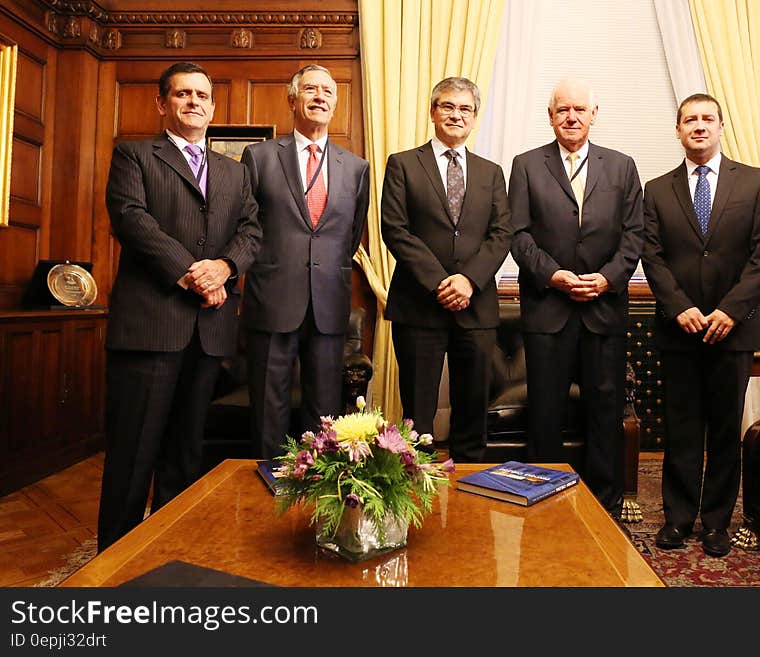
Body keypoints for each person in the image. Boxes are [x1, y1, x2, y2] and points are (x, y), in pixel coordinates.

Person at [98, 62, 262, 551]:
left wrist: (226, 268)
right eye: (183, 94)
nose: (194, 102)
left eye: (203, 96)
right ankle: (116, 562)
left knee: (185, 453)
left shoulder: (235, 171)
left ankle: (167, 552)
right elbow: (131, 219)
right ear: (161, 103)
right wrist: (196, 272)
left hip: (209, 330)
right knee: (133, 455)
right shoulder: (134, 154)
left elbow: (251, 231)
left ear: (213, 106)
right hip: (151, 326)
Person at [642, 93, 760, 557]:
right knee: (680, 427)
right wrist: (678, 306)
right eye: (689, 120)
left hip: (733, 328)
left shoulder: (757, 182)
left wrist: (731, 310)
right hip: (678, 328)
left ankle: (717, 521)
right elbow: (652, 255)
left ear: (721, 126)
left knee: (724, 428)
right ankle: (678, 520)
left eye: (707, 119)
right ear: (678, 130)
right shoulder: (657, 190)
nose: (698, 126)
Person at [509, 78, 643, 518]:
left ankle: (605, 506)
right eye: (562, 109)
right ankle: (545, 504)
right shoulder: (526, 165)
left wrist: (605, 279)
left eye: (580, 109)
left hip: (603, 311)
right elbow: (518, 234)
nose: (571, 116)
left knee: (604, 412)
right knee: (545, 412)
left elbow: (634, 236)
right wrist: (553, 275)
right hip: (549, 310)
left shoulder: (622, 167)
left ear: (594, 114)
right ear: (550, 116)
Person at [241, 64, 370, 459]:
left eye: (328, 91)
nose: (320, 97)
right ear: (292, 98)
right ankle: (270, 488)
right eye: (311, 89)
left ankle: (318, 496)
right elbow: (247, 225)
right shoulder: (259, 156)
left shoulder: (356, 168)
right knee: (269, 410)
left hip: (328, 304)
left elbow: (350, 235)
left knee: (324, 413)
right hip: (272, 300)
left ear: (335, 103)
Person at [381, 76, 512, 463]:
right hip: (419, 305)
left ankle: (470, 491)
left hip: (476, 306)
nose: (457, 115)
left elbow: (502, 233)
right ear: (434, 111)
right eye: (448, 107)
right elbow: (395, 229)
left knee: (472, 408)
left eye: (465, 109)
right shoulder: (403, 164)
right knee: (417, 412)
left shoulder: (491, 172)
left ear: (475, 118)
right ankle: (413, 490)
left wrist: (468, 280)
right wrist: (441, 281)